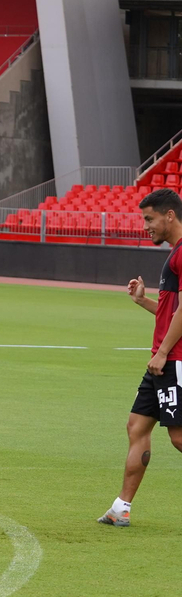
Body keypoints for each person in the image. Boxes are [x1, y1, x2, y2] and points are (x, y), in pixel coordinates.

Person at [96, 187, 182, 527]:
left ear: (170, 215)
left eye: (149, 219)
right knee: (137, 426)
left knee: (178, 436)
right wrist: (144, 301)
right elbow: (170, 313)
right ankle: (121, 508)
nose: (145, 226)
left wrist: (162, 353)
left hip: (173, 360)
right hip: (163, 360)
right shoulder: (174, 254)